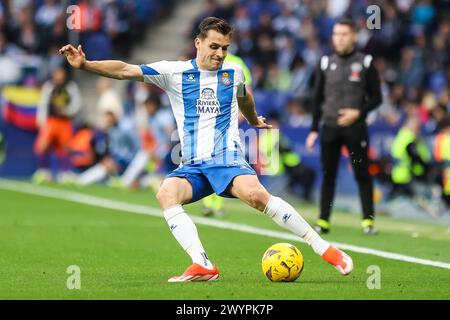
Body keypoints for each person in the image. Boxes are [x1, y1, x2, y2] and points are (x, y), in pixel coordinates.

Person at [59, 17, 353, 282]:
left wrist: (253, 119)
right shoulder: (173, 72)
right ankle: (203, 264)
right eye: (214, 46)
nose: (220, 54)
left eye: (225, 48)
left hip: (226, 158)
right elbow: (125, 70)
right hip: (193, 166)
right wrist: (85, 65)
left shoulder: (233, 73)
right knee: (166, 193)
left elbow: (244, 95)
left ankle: (324, 248)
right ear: (198, 43)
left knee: (257, 196)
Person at [305, 19, 382, 235]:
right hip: (330, 128)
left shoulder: (365, 62)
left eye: (344, 34)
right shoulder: (325, 62)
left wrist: (359, 112)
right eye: (336, 34)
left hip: (355, 129)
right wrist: (313, 129)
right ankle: (323, 220)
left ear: (353, 36)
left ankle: (368, 221)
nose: (339, 38)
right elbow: (317, 98)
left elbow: (377, 97)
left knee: (362, 174)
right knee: (328, 175)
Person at [32, 67, 82, 183]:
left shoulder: (71, 87)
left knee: (65, 148)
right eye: (57, 73)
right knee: (42, 145)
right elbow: (43, 104)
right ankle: (43, 172)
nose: (59, 76)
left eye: (61, 73)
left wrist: (68, 111)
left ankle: (65, 173)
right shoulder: (49, 86)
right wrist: (41, 120)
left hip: (64, 121)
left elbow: (77, 103)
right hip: (51, 121)